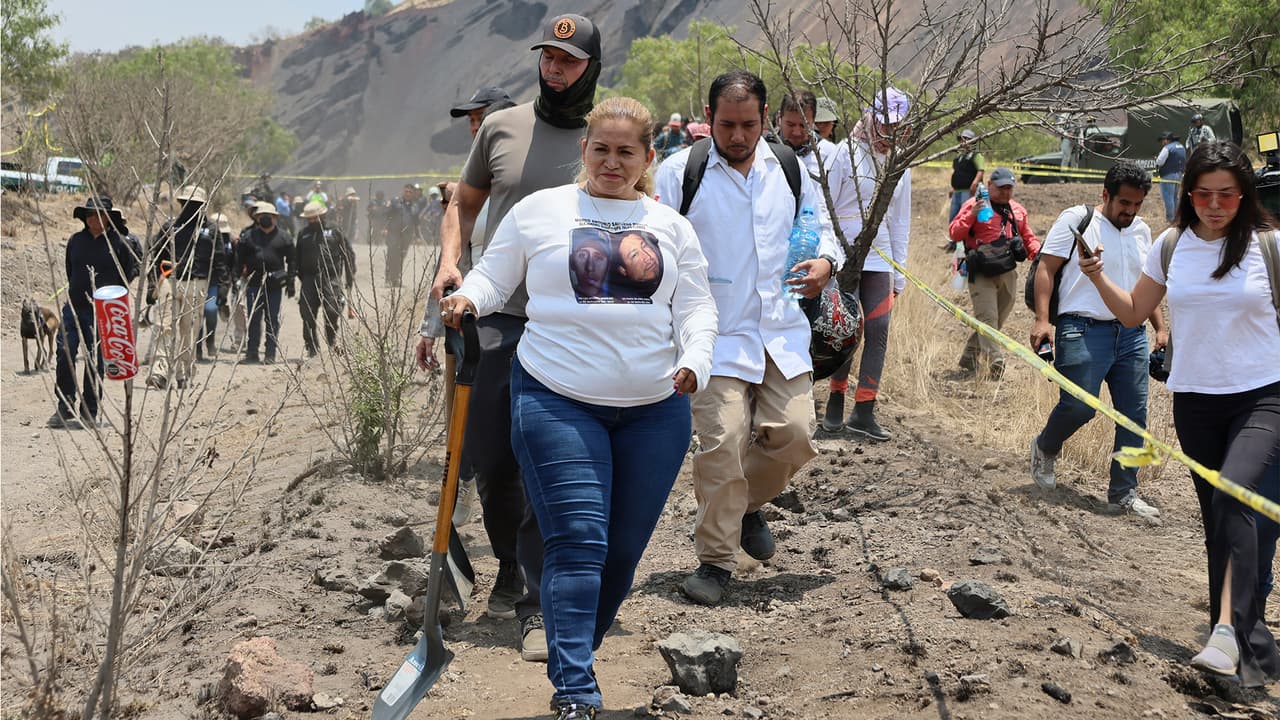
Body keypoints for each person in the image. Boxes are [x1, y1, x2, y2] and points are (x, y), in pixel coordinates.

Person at [440, 95, 717, 720]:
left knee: (620, 555)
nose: (612, 162)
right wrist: (469, 299)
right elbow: (494, 276)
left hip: (655, 408)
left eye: (626, 152)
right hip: (556, 397)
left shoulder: (671, 226)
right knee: (577, 541)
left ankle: (573, 647)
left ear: (648, 157)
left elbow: (697, 306)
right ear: (584, 149)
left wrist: (697, 358)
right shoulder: (541, 211)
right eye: (601, 149)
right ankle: (575, 692)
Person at [429, 11, 605, 663]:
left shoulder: (604, 136)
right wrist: (451, 261)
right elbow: (463, 202)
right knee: (492, 457)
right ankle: (508, 561)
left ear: (590, 68)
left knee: (545, 458)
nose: (554, 69)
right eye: (547, 58)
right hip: (499, 313)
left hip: (574, 321)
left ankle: (537, 595)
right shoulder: (502, 128)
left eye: (568, 61)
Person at [1076, 140, 1279, 686]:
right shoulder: (1171, 246)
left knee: (1235, 496)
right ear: (1188, 194)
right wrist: (1095, 276)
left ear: (1245, 194)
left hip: (1264, 397)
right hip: (1195, 401)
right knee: (1220, 521)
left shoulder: (1269, 246)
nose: (1214, 205)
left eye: (1227, 195)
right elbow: (1134, 313)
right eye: (1203, 194)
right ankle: (1240, 649)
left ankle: (1229, 633)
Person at [655, 69, 841, 606]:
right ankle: (715, 562)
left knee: (797, 436)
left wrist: (826, 262)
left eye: (749, 125)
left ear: (766, 121)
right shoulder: (681, 173)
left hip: (780, 331)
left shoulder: (790, 169)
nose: (738, 136)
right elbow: (656, 246)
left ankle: (745, 505)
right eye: (727, 125)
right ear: (708, 118)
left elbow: (822, 228)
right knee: (722, 443)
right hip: (712, 335)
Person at [1028, 163, 1166, 519]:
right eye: (1124, 203)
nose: (1130, 211)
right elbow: (1046, 268)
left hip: (1132, 334)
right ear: (1105, 194)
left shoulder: (1142, 231)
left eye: (1137, 204)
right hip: (1081, 328)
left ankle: (1124, 493)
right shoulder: (1078, 220)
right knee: (1079, 406)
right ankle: (1045, 447)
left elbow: (1144, 286)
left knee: (1134, 416)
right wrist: (1042, 320)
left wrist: (1160, 328)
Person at [418, 93, 516, 527]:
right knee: (465, 411)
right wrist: (430, 326)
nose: (476, 128)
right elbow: (450, 265)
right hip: (469, 320)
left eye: (483, 119)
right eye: (473, 121)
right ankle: (463, 487)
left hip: (521, 318)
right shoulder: (467, 188)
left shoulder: (525, 183)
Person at [818, 87, 913, 441]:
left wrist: (899, 272)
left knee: (879, 328)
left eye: (897, 126)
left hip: (880, 256)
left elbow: (900, 221)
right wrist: (830, 255)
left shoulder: (900, 162)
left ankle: (865, 410)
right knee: (844, 330)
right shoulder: (843, 154)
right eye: (885, 124)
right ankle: (835, 401)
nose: (889, 132)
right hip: (845, 255)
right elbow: (826, 206)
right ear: (872, 118)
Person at [47, 197, 141, 429]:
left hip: (103, 311)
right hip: (74, 306)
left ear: (108, 218)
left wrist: (111, 295)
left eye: (98, 214)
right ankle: (65, 404)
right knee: (64, 350)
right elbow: (71, 271)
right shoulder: (75, 241)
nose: (93, 219)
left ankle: (89, 409)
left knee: (94, 359)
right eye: (89, 214)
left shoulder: (119, 243)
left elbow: (129, 272)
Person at [948, 167, 1042, 378]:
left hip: (1007, 270)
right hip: (981, 271)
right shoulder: (973, 205)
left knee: (997, 320)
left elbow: (1028, 237)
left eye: (1009, 188)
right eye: (1001, 188)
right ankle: (995, 360)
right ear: (989, 185)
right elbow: (954, 233)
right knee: (987, 317)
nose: (1005, 192)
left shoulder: (1017, 210)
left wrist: (1039, 255)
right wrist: (972, 215)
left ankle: (970, 354)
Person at [145, 185, 223, 390]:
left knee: (189, 331)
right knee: (163, 326)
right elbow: (156, 256)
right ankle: (159, 372)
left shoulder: (211, 230)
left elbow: (220, 261)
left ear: (203, 206)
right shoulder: (170, 227)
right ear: (181, 203)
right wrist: (152, 285)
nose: (191, 207)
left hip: (197, 284)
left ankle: (184, 373)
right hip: (170, 281)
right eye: (188, 203)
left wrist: (222, 289)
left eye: (196, 204)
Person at [236, 201, 295, 364]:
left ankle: (270, 353)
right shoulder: (248, 237)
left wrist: (291, 281)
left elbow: (292, 260)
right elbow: (239, 260)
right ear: (257, 218)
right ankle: (252, 353)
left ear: (275, 218)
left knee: (272, 319)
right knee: (253, 319)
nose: (266, 218)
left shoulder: (284, 237)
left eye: (269, 216)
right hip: (254, 284)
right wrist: (236, 279)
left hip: (274, 287)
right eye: (262, 216)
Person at [294, 201, 355, 357]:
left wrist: (349, 277)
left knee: (332, 310)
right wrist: (301, 277)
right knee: (307, 314)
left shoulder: (335, 231)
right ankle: (312, 348)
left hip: (331, 278)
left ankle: (332, 341)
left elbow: (348, 255)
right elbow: (297, 258)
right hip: (309, 278)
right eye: (309, 219)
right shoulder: (303, 234)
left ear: (323, 215)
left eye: (315, 218)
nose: (312, 221)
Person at [202, 212, 235, 361]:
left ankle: (210, 341)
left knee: (211, 310)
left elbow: (232, 262)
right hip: (201, 278)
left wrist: (227, 283)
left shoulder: (231, 242)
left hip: (218, 281)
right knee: (198, 314)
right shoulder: (203, 238)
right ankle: (197, 347)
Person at [384, 183, 422, 287]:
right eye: (406, 191)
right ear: (403, 191)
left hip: (406, 236)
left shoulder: (415, 206)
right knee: (392, 255)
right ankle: (388, 279)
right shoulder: (395, 202)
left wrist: (418, 237)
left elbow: (416, 223)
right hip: (393, 233)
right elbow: (387, 215)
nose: (408, 194)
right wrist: (385, 228)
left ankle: (396, 279)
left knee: (401, 257)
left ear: (413, 193)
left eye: (410, 192)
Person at [949, 129, 985, 223]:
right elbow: (956, 172)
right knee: (954, 216)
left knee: (965, 215)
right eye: (962, 139)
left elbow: (980, 170)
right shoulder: (958, 156)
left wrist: (974, 184)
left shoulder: (976, 155)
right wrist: (952, 187)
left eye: (967, 139)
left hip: (969, 191)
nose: (964, 141)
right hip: (957, 191)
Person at [1156, 131, 1187, 223]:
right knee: (1174, 197)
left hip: (1168, 175)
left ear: (1167, 140)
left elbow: (1159, 162)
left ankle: (1170, 219)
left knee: (1168, 197)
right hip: (1179, 174)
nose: (1162, 142)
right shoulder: (1181, 147)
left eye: (1163, 140)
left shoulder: (1167, 148)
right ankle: (1176, 217)